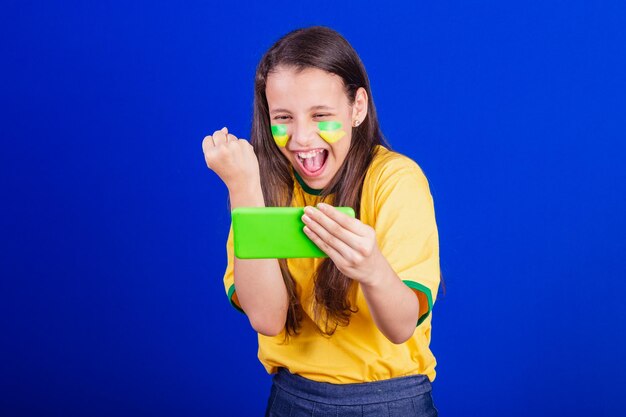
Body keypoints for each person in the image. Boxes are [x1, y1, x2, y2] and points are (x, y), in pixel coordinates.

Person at [202, 26, 441, 417]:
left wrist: (371, 269)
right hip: (292, 399)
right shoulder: (262, 188)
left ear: (357, 108)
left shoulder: (396, 180)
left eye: (321, 115)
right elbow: (267, 318)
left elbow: (401, 328)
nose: (301, 137)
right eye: (283, 117)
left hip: (392, 402)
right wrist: (243, 187)